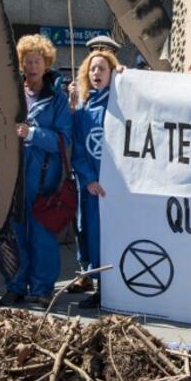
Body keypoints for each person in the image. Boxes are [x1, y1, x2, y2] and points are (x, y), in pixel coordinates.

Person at [0, 34, 72, 308]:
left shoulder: (57, 98)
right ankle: (15, 286)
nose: (32, 66)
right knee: (14, 235)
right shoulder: (11, 92)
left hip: (44, 180)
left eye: (37, 60)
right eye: (27, 60)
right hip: (13, 178)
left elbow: (64, 140)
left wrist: (32, 133)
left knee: (42, 237)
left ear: (46, 63)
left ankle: (43, 289)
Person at [68, 48, 119, 308]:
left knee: (110, 236)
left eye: (102, 68)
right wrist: (88, 178)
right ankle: (97, 284)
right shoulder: (83, 109)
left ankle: (108, 290)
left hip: (115, 187)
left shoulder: (121, 103)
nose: (96, 72)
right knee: (90, 234)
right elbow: (77, 148)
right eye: (93, 68)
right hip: (91, 187)